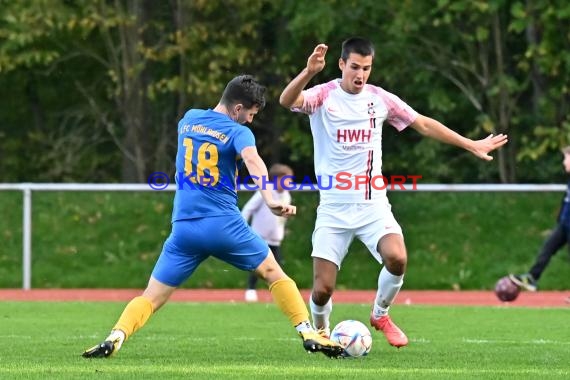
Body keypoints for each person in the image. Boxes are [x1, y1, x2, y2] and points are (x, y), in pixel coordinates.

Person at [82, 75, 344, 359]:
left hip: (183, 229)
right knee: (273, 273)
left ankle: (116, 335)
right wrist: (270, 199)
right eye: (251, 114)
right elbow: (254, 162)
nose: (250, 121)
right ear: (237, 109)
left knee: (151, 296)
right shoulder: (238, 132)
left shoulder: (188, 120)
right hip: (222, 224)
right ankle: (307, 331)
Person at [279, 37, 508, 348]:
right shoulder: (324, 96)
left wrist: (471, 144)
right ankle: (320, 332)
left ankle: (380, 314)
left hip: (373, 205)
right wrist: (308, 72)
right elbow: (287, 101)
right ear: (342, 64)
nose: (360, 75)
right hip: (334, 208)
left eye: (367, 68)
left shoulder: (380, 99)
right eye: (355, 67)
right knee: (322, 289)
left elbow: (423, 124)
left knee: (397, 257)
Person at [510, 146, 570, 292]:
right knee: (547, 248)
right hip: (564, 224)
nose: (564, 162)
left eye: (567, 158)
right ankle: (531, 277)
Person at [243, 163, 294, 302]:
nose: (290, 182)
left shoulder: (286, 196)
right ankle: (251, 290)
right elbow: (248, 209)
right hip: (260, 237)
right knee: (258, 265)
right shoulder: (265, 191)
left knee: (277, 267)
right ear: (277, 179)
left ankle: (278, 294)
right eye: (287, 179)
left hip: (275, 239)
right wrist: (243, 228)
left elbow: (280, 218)